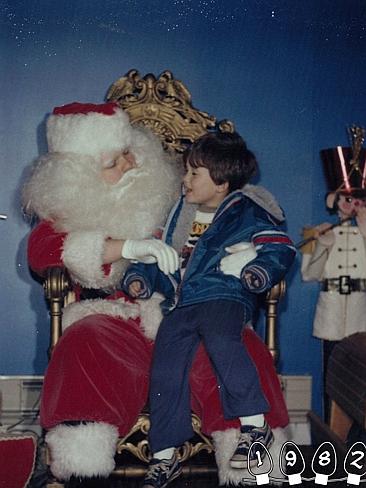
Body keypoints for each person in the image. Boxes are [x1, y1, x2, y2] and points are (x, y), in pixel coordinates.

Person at [24, 101, 291, 486]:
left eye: (131, 152)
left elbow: (233, 216)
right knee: (84, 342)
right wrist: (126, 248)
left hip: (186, 312)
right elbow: (41, 252)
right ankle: (83, 467)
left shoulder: (173, 195)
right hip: (114, 321)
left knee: (237, 350)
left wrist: (252, 250)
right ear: (80, 178)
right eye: (116, 162)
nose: (133, 164)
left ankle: (252, 466)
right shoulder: (68, 210)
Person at [122, 131, 296, 488]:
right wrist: (141, 276)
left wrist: (256, 270)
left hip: (224, 295)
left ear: (221, 181)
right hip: (183, 302)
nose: (184, 180)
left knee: (221, 338)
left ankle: (254, 425)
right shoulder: (177, 215)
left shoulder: (245, 211)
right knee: (166, 364)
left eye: (193, 174)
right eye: (185, 172)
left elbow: (280, 247)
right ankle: (164, 456)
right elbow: (158, 256)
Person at [301, 144, 366, 418]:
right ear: (336, 201)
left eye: (360, 200)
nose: (354, 206)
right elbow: (308, 275)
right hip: (330, 315)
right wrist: (322, 245)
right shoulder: (314, 232)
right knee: (332, 377)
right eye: (348, 200)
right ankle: (330, 435)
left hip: (360, 316)